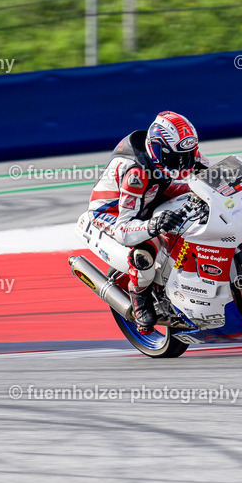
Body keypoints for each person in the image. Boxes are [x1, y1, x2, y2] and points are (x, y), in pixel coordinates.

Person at [86, 111, 209, 334]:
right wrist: (153, 226)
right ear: (158, 150)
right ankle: (140, 300)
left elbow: (210, 177)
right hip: (114, 211)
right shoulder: (136, 172)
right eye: (175, 158)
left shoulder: (185, 151)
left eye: (188, 155)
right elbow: (125, 228)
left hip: (153, 194)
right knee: (144, 252)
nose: (183, 163)